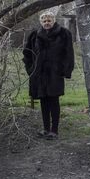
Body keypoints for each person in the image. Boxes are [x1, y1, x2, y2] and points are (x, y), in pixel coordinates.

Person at [22, 11, 74, 139]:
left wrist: (65, 71)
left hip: (55, 73)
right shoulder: (35, 34)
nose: (47, 23)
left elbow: (69, 54)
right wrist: (30, 69)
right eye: (44, 21)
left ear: (53, 20)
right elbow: (27, 53)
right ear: (41, 22)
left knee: (54, 101)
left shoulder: (64, 33)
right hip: (39, 74)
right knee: (43, 101)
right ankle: (45, 129)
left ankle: (54, 131)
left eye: (49, 20)